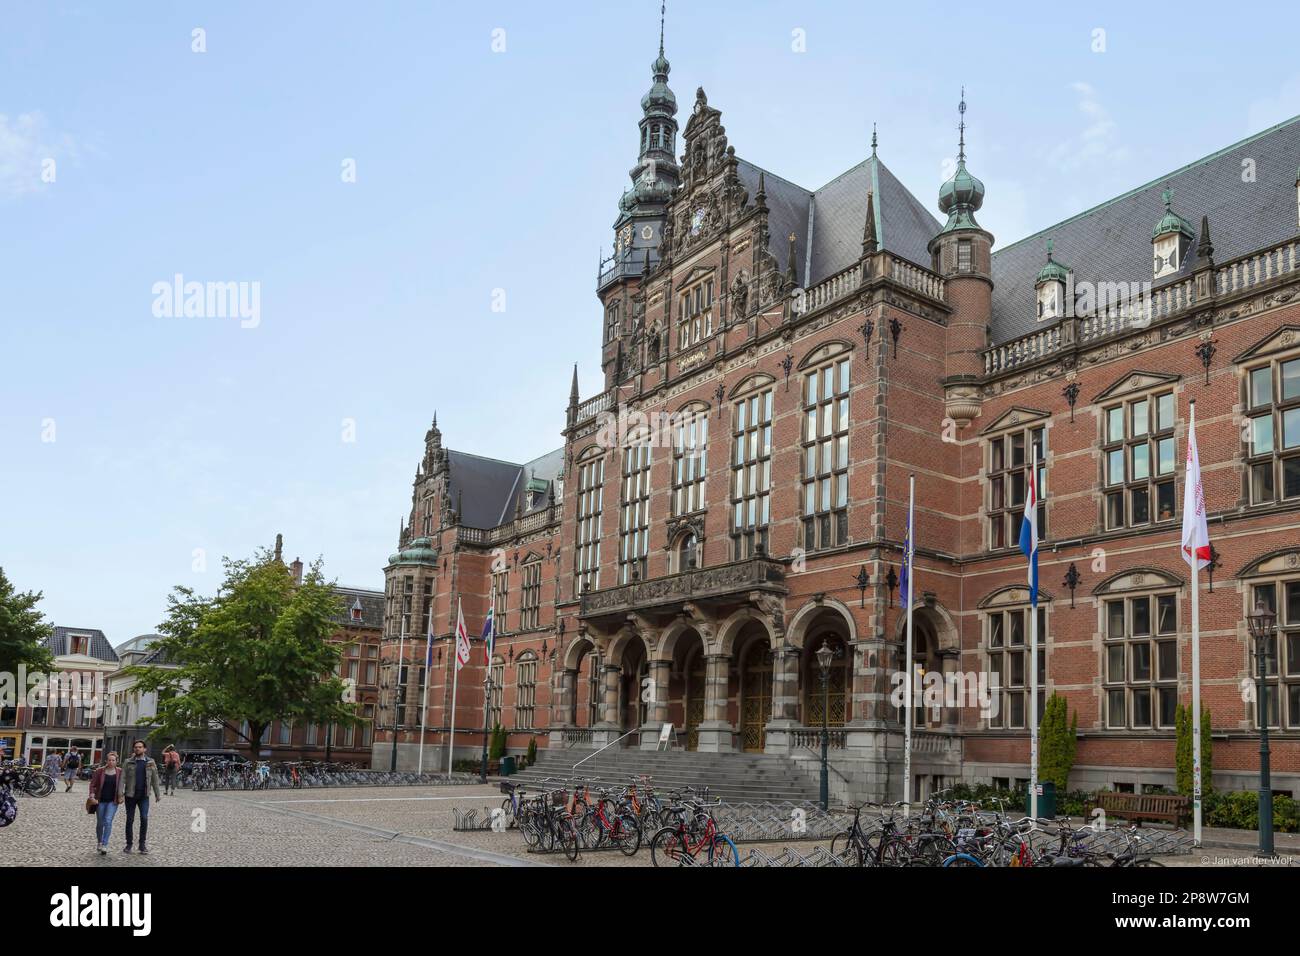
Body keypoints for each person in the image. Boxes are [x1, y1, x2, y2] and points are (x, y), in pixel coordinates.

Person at [121, 740, 162, 855]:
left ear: (145, 749)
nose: (137, 749)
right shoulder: (128, 762)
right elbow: (122, 778)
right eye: (136, 747)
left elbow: (155, 778)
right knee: (130, 820)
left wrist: (157, 794)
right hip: (130, 795)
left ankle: (142, 844)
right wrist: (120, 794)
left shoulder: (150, 762)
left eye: (140, 747)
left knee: (144, 818)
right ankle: (129, 844)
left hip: (144, 796)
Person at [88, 751, 124, 855]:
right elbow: (93, 784)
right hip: (100, 800)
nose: (111, 762)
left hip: (113, 801)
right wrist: (92, 794)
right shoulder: (99, 771)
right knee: (100, 823)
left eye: (113, 760)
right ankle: (99, 841)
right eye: (109, 760)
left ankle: (105, 844)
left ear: (116, 761)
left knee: (108, 821)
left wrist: (122, 795)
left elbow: (124, 784)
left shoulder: (120, 772)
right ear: (106, 761)